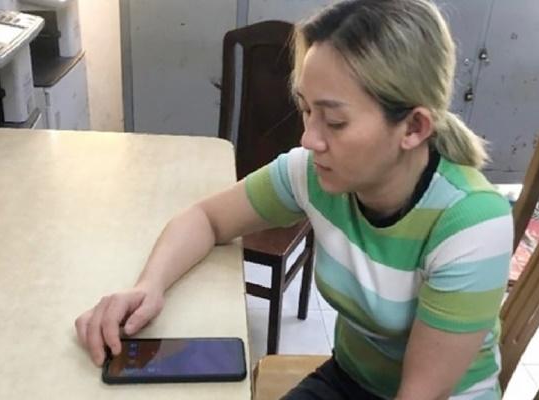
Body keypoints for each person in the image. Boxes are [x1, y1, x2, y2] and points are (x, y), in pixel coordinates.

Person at [75, 0, 513, 399]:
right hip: (350, 379)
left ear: (414, 128)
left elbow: (421, 394)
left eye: (335, 122)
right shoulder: (315, 173)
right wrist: (148, 286)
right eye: (306, 109)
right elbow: (207, 218)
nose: (309, 139)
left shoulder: (470, 224)